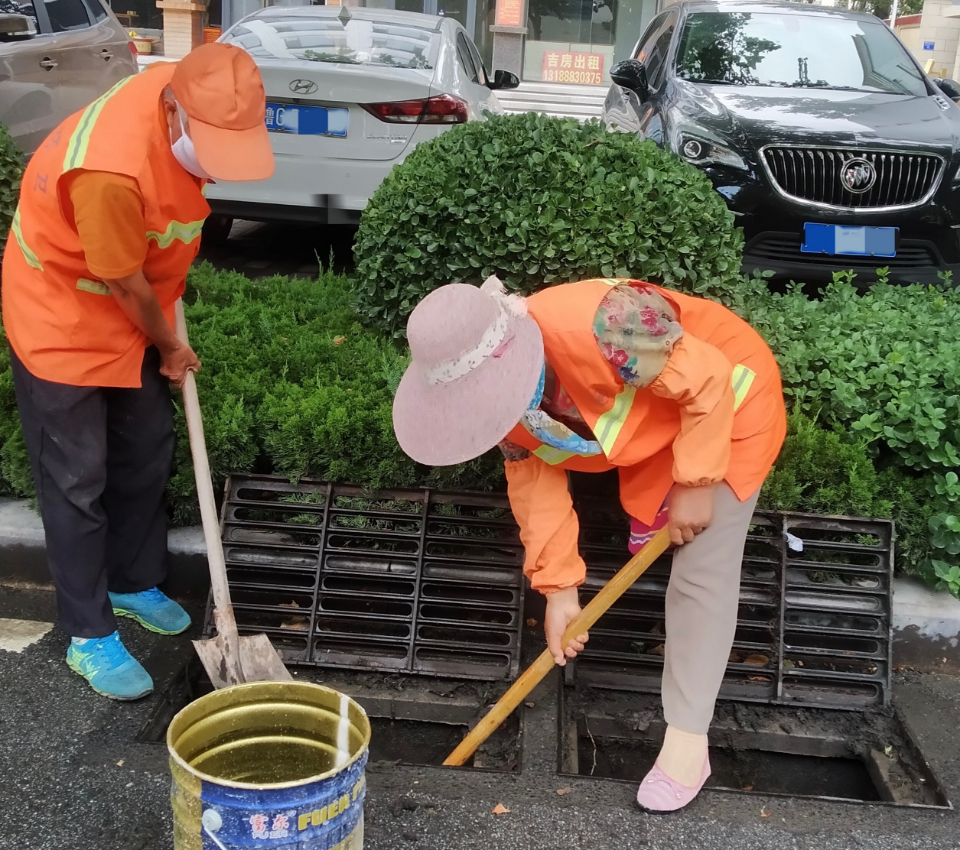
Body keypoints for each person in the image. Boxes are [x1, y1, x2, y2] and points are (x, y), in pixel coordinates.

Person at [393, 276, 786, 812]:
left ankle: (689, 742)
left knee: (701, 565)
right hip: (658, 428)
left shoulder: (611, 321)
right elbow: (536, 486)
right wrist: (558, 591)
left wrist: (696, 485)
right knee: (656, 528)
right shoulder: (502, 408)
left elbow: (711, 381)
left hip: (727, 402)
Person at [1, 43, 274, 700]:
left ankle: (129, 582)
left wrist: (161, 326)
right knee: (77, 476)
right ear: (175, 111)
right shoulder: (109, 172)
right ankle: (88, 635)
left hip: (134, 306)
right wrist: (172, 348)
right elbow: (123, 282)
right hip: (62, 316)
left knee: (146, 446)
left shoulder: (178, 94)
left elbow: (152, 259)